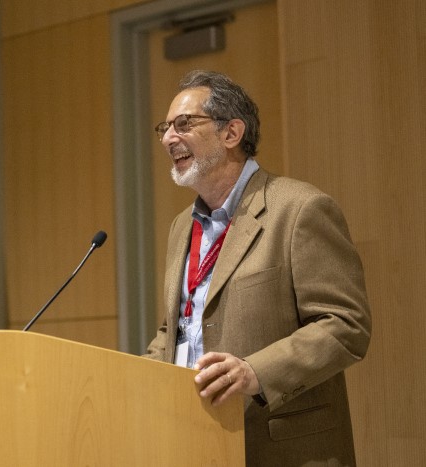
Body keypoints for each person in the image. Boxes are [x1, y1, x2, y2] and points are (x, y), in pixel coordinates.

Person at [144, 70, 371, 466]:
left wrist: (256, 372)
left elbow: (345, 325)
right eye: (165, 128)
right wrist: (136, 376)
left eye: (184, 124)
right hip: (194, 442)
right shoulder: (182, 226)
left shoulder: (299, 209)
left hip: (279, 448)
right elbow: (177, 326)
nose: (168, 138)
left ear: (232, 133)